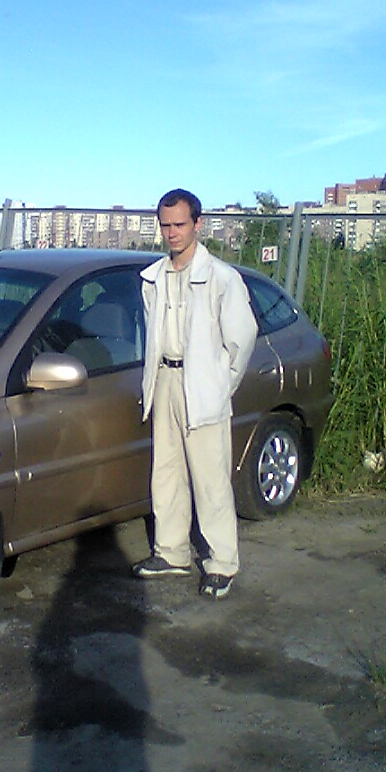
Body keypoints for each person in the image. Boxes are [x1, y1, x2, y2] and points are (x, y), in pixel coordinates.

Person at [132, 188, 258, 598]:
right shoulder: (154, 278)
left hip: (202, 386)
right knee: (166, 472)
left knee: (210, 478)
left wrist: (220, 384)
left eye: (180, 224)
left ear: (198, 224)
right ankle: (171, 552)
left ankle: (221, 562)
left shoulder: (222, 277)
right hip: (165, 380)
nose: (172, 233)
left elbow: (242, 339)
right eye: (165, 225)